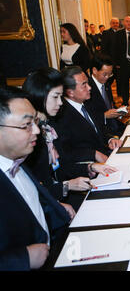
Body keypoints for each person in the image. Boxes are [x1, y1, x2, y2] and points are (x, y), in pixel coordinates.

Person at [0, 86, 73, 270]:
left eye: (35, 122)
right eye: (26, 125)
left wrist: (52, 207)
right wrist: (23, 259)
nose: (37, 131)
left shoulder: (19, 160)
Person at [22, 67, 117, 205]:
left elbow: (61, 167)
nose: (61, 102)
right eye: (55, 97)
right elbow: (36, 187)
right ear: (40, 95)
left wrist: (90, 167)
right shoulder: (33, 135)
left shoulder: (47, 127)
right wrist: (67, 186)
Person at [51, 66, 122, 166]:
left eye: (88, 83)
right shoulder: (61, 116)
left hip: (107, 156)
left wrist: (110, 139)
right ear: (70, 92)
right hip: (89, 167)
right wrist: (93, 154)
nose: (90, 87)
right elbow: (66, 152)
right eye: (84, 85)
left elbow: (99, 129)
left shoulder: (87, 103)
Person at [85, 54, 126, 136]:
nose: (107, 77)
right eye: (105, 74)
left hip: (114, 125)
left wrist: (118, 112)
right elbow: (86, 115)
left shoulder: (106, 85)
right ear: (95, 70)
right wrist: (104, 116)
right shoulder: (87, 88)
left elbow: (110, 105)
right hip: (101, 131)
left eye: (110, 74)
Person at [101, 17, 121, 96]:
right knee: (109, 80)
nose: (115, 24)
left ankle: (120, 95)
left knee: (120, 80)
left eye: (117, 23)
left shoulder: (120, 33)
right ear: (110, 24)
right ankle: (108, 95)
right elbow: (104, 48)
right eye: (114, 23)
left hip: (119, 62)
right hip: (110, 61)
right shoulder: (106, 33)